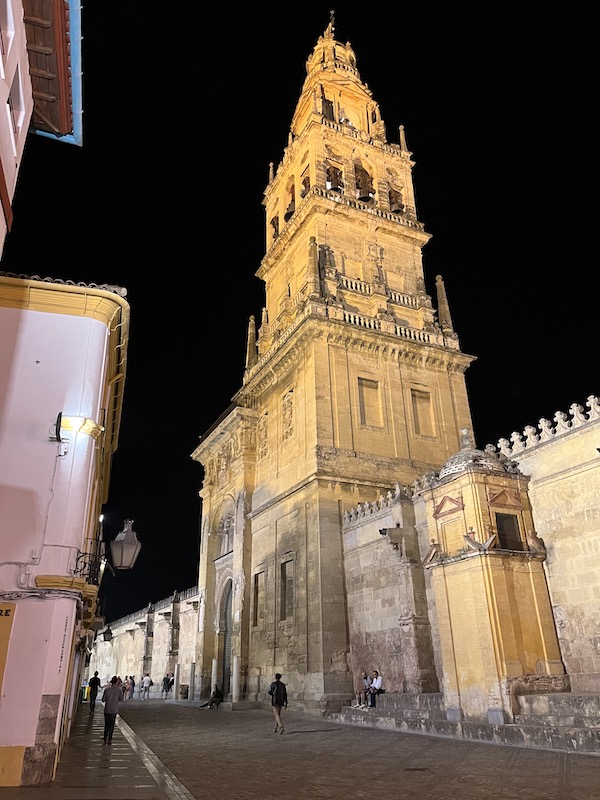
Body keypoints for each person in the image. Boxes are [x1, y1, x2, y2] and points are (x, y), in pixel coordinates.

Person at [101, 676, 122, 744]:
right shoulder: (118, 690)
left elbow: (103, 700)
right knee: (112, 725)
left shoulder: (107, 690)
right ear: (116, 682)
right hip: (114, 709)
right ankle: (110, 739)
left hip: (107, 709)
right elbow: (121, 699)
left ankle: (105, 738)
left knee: (106, 724)